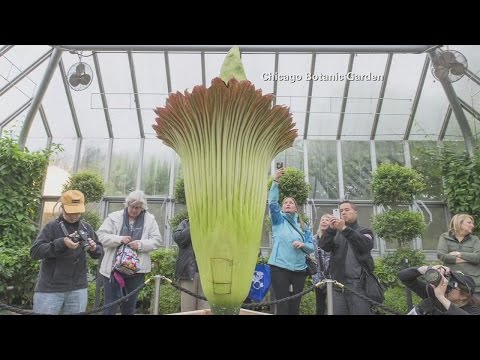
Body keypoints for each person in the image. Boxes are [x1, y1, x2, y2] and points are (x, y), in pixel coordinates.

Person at [30, 190, 103, 314]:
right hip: (50, 289)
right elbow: (35, 252)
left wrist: (94, 248)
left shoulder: (86, 227)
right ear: (62, 207)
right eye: (71, 212)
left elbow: (99, 252)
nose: (75, 216)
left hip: (78, 288)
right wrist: (62, 243)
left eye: (78, 212)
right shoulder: (51, 227)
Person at [98, 190, 161, 315]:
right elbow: (100, 236)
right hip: (112, 270)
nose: (134, 210)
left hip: (136, 271)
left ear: (142, 208)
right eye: (132, 207)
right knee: (109, 306)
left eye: (138, 208)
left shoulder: (150, 220)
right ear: (127, 204)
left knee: (129, 307)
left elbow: (157, 240)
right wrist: (119, 239)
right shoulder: (114, 217)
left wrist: (140, 244)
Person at [267, 167, 314, 315]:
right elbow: (272, 203)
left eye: (291, 203)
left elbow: (311, 247)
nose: (287, 204)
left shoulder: (303, 225)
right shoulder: (278, 220)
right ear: (282, 207)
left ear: (296, 208)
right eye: (285, 203)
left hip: (299, 270)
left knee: (295, 305)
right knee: (283, 304)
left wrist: (303, 245)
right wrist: (275, 181)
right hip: (279, 267)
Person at [318, 201, 375, 315]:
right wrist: (331, 229)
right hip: (337, 286)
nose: (343, 212)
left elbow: (365, 245)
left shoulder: (365, 231)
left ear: (355, 212)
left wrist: (344, 229)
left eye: (347, 210)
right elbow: (324, 246)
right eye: (341, 211)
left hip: (359, 286)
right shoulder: (336, 233)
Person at [399, 264, 480, 315]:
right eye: (447, 279)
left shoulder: (473, 310)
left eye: (451, 285)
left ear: (463, 296)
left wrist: (441, 297)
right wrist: (426, 269)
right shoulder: (432, 293)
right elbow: (404, 277)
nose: (445, 286)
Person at [437, 214, 480, 296]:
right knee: (453, 308)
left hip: (475, 283)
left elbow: (478, 257)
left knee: (476, 308)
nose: (472, 225)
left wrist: (458, 254)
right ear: (459, 223)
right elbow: (441, 255)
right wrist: (468, 258)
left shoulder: (474, 239)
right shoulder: (445, 237)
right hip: (452, 283)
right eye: (469, 223)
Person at [173, 218, 209, 312]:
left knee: (205, 309)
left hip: (208, 273)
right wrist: (194, 224)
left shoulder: (212, 221)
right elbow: (178, 239)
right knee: (188, 308)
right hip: (188, 272)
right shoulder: (186, 223)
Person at [312, 214, 332, 315]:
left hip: (334, 277)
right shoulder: (314, 239)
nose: (323, 221)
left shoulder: (336, 238)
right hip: (319, 278)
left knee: (334, 305)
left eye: (327, 220)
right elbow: (311, 257)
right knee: (320, 306)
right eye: (322, 220)